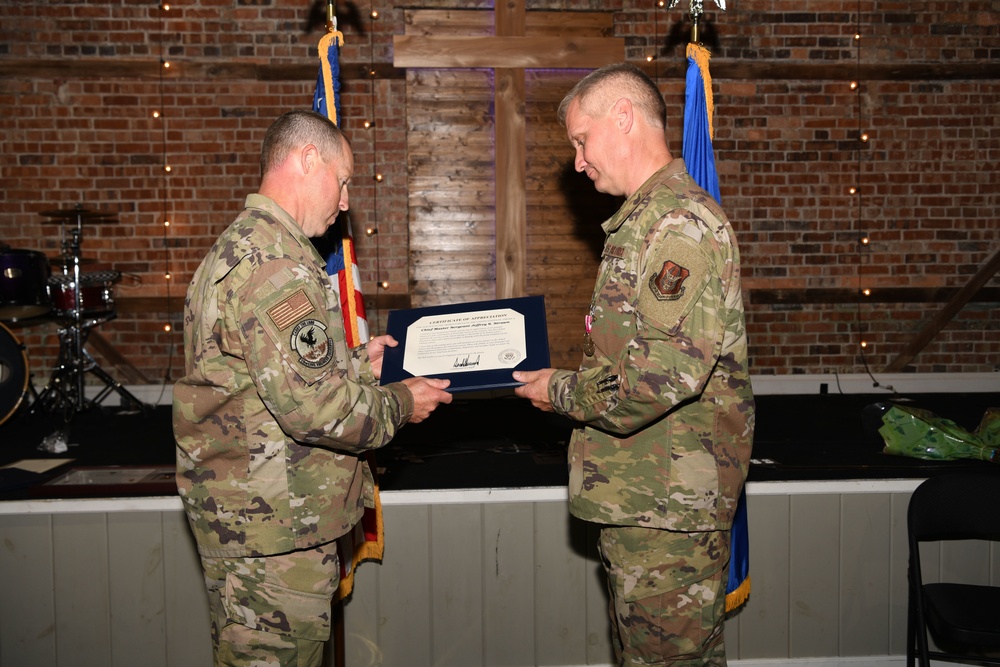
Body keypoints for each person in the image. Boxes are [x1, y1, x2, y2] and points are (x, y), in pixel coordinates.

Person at [173, 109, 452, 667]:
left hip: (259, 523)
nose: (346, 200)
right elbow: (321, 411)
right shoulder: (274, 265)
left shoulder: (247, 247)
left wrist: (354, 364)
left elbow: (265, 382)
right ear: (306, 160)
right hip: (274, 535)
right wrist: (403, 401)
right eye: (344, 179)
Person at [513, 63, 754, 666]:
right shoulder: (645, 221)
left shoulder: (678, 224)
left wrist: (561, 392)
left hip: (667, 511)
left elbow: (660, 378)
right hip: (649, 503)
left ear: (622, 119)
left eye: (580, 140)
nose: (578, 161)